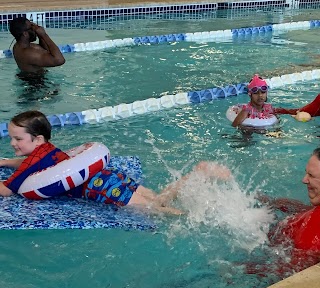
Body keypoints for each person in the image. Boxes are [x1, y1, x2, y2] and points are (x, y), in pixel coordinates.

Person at [0, 110, 231, 215]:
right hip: (110, 177)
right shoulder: (46, 150)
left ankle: (203, 219)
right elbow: (26, 163)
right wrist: (5, 162)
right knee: (158, 198)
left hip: (101, 189)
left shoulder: (32, 163)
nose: (12, 142)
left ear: (37, 139)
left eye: (18, 138)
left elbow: (8, 190)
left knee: (159, 211)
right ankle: (196, 175)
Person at [261, 147, 320, 252]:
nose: (304, 180)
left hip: (274, 241)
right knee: (281, 202)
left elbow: (287, 267)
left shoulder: (311, 236)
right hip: (288, 226)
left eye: (311, 175)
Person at [232, 74, 320, 127]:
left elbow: (278, 122)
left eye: (263, 92)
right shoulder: (246, 110)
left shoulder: (268, 107)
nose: (260, 96)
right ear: (250, 94)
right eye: (256, 93)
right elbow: (235, 126)